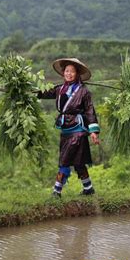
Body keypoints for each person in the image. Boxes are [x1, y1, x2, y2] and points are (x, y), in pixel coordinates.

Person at [39, 58, 100, 198]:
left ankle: (56, 192)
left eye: (72, 71)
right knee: (78, 162)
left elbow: (90, 111)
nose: (69, 74)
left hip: (78, 129)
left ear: (77, 74)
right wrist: (27, 90)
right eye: (67, 71)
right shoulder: (60, 89)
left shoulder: (84, 91)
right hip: (65, 129)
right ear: (63, 73)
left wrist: (94, 132)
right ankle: (88, 189)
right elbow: (43, 92)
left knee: (65, 160)